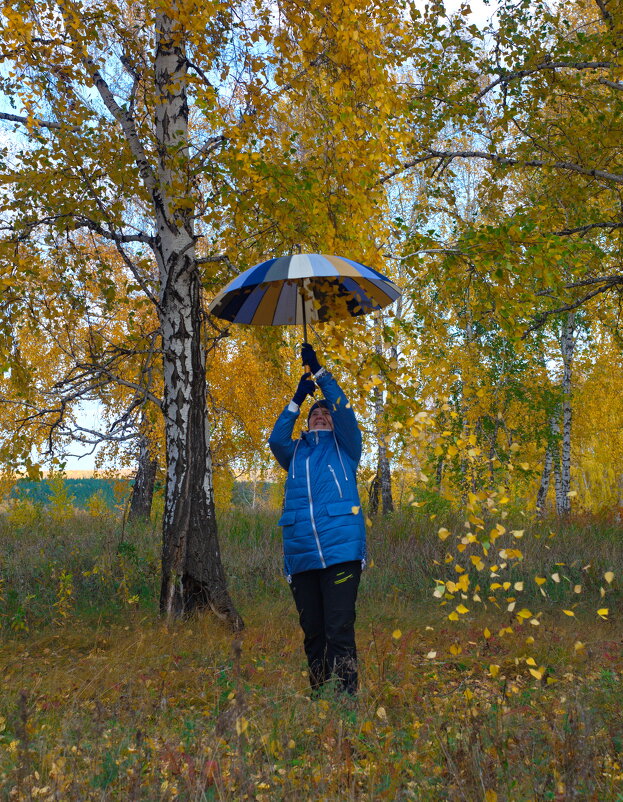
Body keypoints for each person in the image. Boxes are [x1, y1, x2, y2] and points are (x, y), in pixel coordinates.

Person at [268, 343, 365, 696]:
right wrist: (296, 399)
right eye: (315, 414)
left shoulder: (346, 447)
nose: (320, 415)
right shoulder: (295, 453)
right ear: (308, 422)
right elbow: (276, 438)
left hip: (341, 552)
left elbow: (344, 411)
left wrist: (320, 373)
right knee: (313, 632)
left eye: (325, 413)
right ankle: (320, 696)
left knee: (339, 629)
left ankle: (346, 701)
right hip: (302, 554)